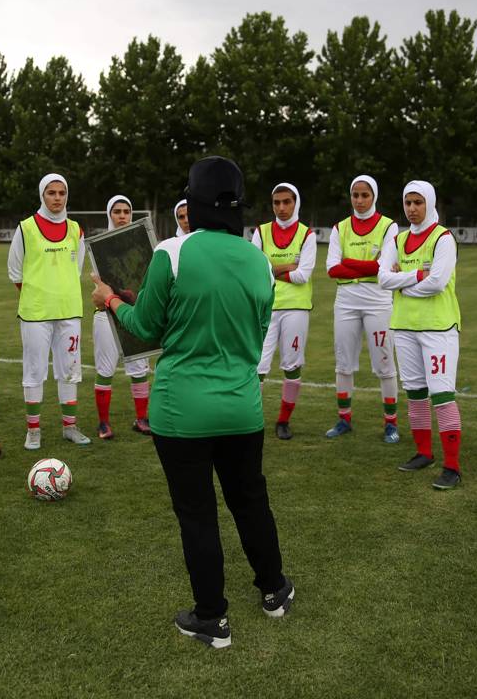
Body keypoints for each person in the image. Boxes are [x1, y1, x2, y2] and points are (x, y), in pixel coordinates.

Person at [91, 156, 293, 649]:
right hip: (241, 406)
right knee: (251, 502)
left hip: (182, 412)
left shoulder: (173, 253)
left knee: (197, 514)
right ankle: (274, 591)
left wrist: (111, 300)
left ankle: (212, 618)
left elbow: (145, 327)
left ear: (195, 201)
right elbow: (254, 330)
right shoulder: (261, 261)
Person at [378, 180, 463, 490]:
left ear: (429, 203)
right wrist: (414, 276)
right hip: (404, 326)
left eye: (418, 202)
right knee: (414, 392)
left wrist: (401, 283)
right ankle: (424, 452)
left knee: (441, 395)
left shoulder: (443, 238)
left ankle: (452, 466)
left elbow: (437, 283)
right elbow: (382, 277)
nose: (412, 209)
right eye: (408, 203)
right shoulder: (398, 239)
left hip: (438, 327)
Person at [7, 173, 90, 450]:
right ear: (42, 195)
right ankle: (33, 430)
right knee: (34, 371)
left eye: (61, 193)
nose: (57, 198)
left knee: (70, 370)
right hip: (35, 314)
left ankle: (70, 427)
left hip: (68, 311)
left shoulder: (76, 229)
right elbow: (15, 270)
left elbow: (76, 268)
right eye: (51, 193)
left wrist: (60, 293)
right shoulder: (26, 228)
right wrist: (37, 295)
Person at [325, 174, 400, 442]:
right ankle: (344, 418)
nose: (359, 200)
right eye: (355, 195)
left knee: (384, 361)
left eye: (364, 195)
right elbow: (332, 268)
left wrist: (351, 262)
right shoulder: (340, 227)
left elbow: (383, 269)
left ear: (374, 196)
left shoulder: (389, 226)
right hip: (345, 299)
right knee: (343, 362)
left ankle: (391, 423)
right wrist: (368, 265)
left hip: (378, 299)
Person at [251, 183, 316, 440]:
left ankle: (283, 421)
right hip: (265, 307)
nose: (281, 207)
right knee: (258, 365)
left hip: (296, 309)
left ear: (295, 202)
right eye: (276, 202)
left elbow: (302, 276)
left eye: (286, 202)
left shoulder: (306, 234)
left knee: (291, 365)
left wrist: (270, 267)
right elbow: (254, 271)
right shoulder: (261, 231)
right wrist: (287, 265)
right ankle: (252, 418)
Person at [93, 195, 151, 439]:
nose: (122, 216)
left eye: (126, 211)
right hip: (106, 313)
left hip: (133, 312)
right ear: (109, 214)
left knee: (139, 367)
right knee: (105, 369)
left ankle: (142, 419)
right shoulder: (98, 246)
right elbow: (98, 283)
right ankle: (103, 423)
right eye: (116, 211)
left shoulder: (140, 243)